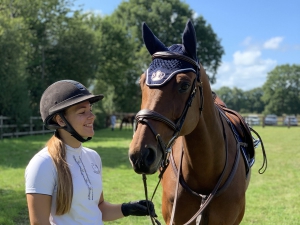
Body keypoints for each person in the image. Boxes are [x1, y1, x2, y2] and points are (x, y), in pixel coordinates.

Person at [25, 80, 156, 224]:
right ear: (60, 120)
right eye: (82, 112)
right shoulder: (43, 164)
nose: (92, 116)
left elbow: (98, 208)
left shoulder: (93, 157)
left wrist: (127, 208)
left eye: (90, 110)